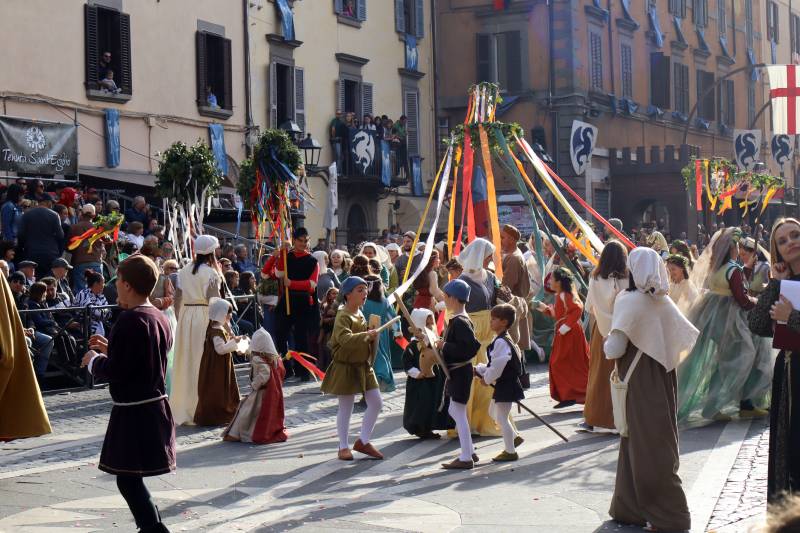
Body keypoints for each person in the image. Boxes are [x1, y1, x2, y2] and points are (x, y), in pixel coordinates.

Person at [604, 247, 697, 532]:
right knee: (657, 440)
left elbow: (615, 348)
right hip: (663, 377)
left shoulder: (627, 300)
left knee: (642, 443)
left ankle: (669, 516)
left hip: (638, 382)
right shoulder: (663, 301)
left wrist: (608, 339)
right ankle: (630, 507)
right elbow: (685, 338)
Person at [80, 255, 174, 533]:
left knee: (128, 479)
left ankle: (154, 530)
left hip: (136, 411)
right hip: (152, 406)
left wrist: (94, 360)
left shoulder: (129, 320)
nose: (115, 286)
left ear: (129, 285)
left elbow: (119, 371)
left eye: (118, 281)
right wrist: (112, 348)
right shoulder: (157, 316)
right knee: (130, 478)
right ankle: (153, 528)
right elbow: (144, 358)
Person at [678, 228, 773, 422]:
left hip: (718, 320)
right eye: (738, 246)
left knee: (728, 361)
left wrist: (746, 271)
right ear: (733, 247)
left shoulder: (718, 269)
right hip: (734, 322)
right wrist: (759, 302)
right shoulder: (732, 269)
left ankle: (741, 404)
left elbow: (732, 288)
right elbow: (743, 300)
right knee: (745, 359)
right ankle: (730, 404)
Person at [748, 217, 800, 502]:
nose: (791, 242)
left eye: (795, 235)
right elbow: (755, 324)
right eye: (783, 240)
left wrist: (789, 317)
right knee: (789, 449)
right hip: (790, 374)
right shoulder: (782, 283)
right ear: (776, 250)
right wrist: (774, 284)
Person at [320, 276, 383, 461]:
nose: (365, 293)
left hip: (363, 365)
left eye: (365, 289)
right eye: (360, 290)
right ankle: (343, 446)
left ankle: (363, 441)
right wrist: (367, 335)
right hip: (346, 366)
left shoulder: (360, 312)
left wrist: (372, 333)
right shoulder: (343, 315)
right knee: (346, 407)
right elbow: (344, 340)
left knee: (376, 403)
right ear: (348, 294)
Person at [170, 235, 222, 426]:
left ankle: (186, 407)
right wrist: (220, 324)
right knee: (202, 361)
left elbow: (177, 297)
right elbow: (214, 300)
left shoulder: (183, 271)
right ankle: (202, 407)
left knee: (186, 360)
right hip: (203, 316)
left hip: (186, 316)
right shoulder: (211, 273)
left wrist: (180, 318)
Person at [456, 238, 504, 436]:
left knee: (488, 384)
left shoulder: (491, 277)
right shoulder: (462, 280)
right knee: (470, 383)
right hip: (471, 332)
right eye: (487, 255)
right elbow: (455, 310)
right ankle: (468, 423)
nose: (490, 259)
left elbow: (497, 299)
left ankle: (485, 421)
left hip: (488, 333)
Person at [436, 279, 482, 469]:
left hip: (461, 371)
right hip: (459, 372)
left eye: (446, 296)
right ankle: (469, 450)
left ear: (453, 298)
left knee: (459, 413)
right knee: (455, 410)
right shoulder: (458, 318)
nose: (444, 299)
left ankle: (465, 457)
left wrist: (444, 345)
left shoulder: (460, 321)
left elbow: (469, 348)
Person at [583, 241, 627, 431]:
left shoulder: (595, 277)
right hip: (625, 331)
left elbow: (589, 307)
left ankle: (596, 416)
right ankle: (623, 416)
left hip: (601, 331)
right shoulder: (628, 278)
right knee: (624, 374)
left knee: (599, 375)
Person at [474, 303, 525, 462]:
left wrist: (486, 378)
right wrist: (480, 370)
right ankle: (514, 437)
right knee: (494, 412)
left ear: (504, 322)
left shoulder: (501, 342)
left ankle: (510, 451)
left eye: (494, 319)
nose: (491, 322)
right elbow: (493, 364)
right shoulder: (502, 340)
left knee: (502, 417)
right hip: (506, 384)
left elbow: (498, 366)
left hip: (507, 384)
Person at [536, 267, 590, 409]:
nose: (550, 281)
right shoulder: (560, 295)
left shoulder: (566, 295)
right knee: (564, 364)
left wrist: (566, 326)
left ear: (559, 282)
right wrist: (543, 308)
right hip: (565, 332)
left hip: (570, 333)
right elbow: (559, 314)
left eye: (552, 279)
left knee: (561, 363)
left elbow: (578, 309)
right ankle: (570, 394)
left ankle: (578, 393)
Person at [223, 328, 288, 444]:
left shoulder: (258, 358)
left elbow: (265, 374)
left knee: (247, 412)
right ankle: (242, 432)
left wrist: (254, 385)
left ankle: (239, 433)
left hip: (260, 393)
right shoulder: (274, 358)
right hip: (269, 392)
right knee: (255, 414)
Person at [273, 227, 319, 381]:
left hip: (303, 302)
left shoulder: (313, 260)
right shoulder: (288, 256)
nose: (303, 243)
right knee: (280, 334)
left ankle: (303, 371)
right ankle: (287, 368)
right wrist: (281, 254)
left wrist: (291, 283)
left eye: (306, 241)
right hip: (287, 300)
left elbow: (312, 284)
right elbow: (279, 273)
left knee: (301, 338)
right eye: (300, 240)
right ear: (294, 240)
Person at [402, 308, 452, 439]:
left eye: (431, 323)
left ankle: (429, 426)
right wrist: (416, 373)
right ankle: (419, 427)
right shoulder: (413, 346)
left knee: (433, 403)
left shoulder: (433, 343)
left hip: (434, 380)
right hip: (419, 383)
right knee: (421, 404)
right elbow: (407, 363)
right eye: (427, 324)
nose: (430, 327)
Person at [194, 298, 242, 426]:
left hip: (218, 364)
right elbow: (220, 349)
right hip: (216, 367)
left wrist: (234, 342)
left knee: (221, 387)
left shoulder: (216, 327)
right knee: (217, 388)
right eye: (228, 313)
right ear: (221, 314)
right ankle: (218, 414)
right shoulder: (216, 331)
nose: (230, 316)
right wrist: (235, 344)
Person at [362, 274, 400, 392]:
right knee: (379, 356)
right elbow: (392, 317)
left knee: (372, 357)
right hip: (379, 334)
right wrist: (397, 331)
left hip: (365, 333)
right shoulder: (384, 302)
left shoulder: (362, 301)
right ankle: (376, 383)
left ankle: (373, 384)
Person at [500, 224, 532, 353]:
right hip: (514, 306)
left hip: (512, 307)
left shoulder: (514, 258)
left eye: (503, 237)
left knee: (513, 350)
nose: (500, 240)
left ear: (512, 239)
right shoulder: (513, 255)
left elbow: (506, 286)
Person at [16, 196, 64, 280]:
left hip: (32, 253)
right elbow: (60, 235)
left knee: (34, 281)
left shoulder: (27, 215)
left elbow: (20, 234)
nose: (52, 204)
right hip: (51, 254)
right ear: (47, 202)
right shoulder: (54, 215)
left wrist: (22, 249)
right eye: (51, 202)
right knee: (50, 281)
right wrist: (58, 252)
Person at [69, 203, 105, 292]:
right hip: (96, 261)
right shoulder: (99, 228)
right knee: (97, 291)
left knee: (81, 291)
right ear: (94, 215)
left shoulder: (74, 227)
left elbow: (68, 246)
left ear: (82, 214)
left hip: (79, 262)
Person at [317, 287, 339, 372]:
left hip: (335, 330)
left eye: (337, 294)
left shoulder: (340, 306)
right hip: (327, 330)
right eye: (333, 293)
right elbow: (322, 320)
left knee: (333, 349)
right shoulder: (325, 306)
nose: (335, 295)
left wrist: (333, 318)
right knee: (326, 349)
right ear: (329, 296)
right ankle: (326, 367)